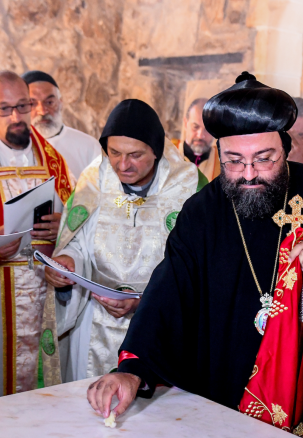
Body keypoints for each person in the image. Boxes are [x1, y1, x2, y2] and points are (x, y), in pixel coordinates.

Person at [87, 72, 303, 438]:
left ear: (285, 148)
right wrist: (133, 368)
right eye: (234, 161)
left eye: (264, 159)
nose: (249, 174)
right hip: (223, 390)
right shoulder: (202, 213)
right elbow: (170, 290)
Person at [39, 100, 205, 384]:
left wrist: (144, 301)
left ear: (156, 150)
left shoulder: (189, 187)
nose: (123, 165)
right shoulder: (95, 180)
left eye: (135, 155)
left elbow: (197, 268)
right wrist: (67, 261)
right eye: (114, 153)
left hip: (160, 325)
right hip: (94, 324)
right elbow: (78, 244)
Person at [0, 71, 74, 397]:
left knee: (44, 387)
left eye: (23, 106)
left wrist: (62, 225)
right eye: (4, 109)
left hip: (43, 292)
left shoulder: (54, 162)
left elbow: (78, 226)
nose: (17, 117)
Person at [22, 70, 101, 180]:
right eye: (32, 104)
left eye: (49, 102)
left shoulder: (89, 146)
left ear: (60, 103)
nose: (42, 111)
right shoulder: (12, 150)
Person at [182, 97, 219, 182]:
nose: (200, 135)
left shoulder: (223, 162)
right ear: (185, 123)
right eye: (195, 127)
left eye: (207, 129)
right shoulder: (168, 154)